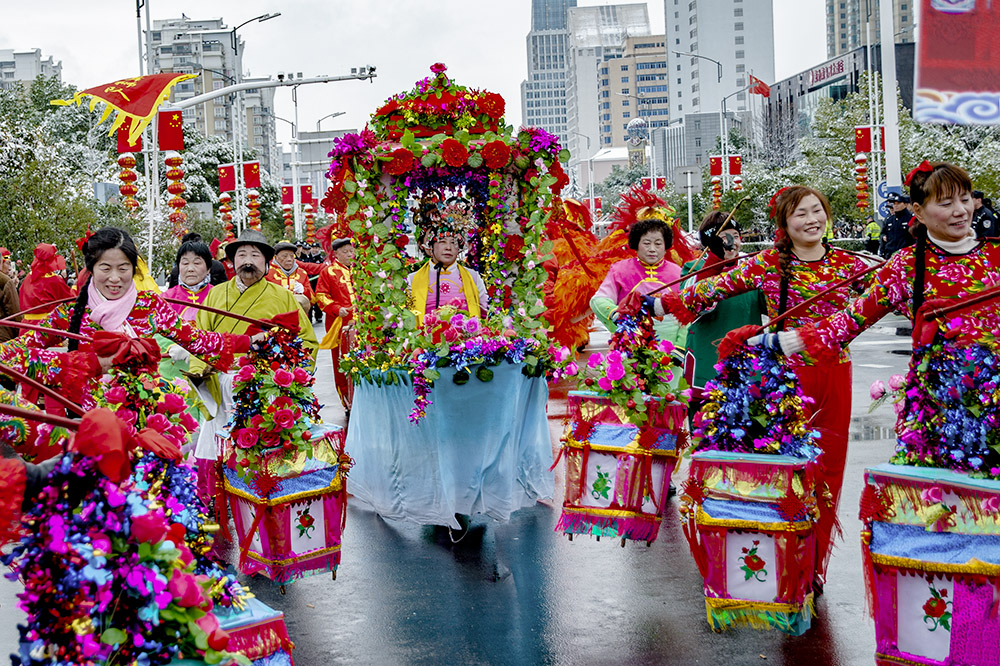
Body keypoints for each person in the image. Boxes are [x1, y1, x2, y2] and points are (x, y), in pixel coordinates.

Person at [644, 186, 873, 590]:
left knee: (829, 473)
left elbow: (887, 297)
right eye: (800, 213)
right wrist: (659, 304)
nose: (812, 220)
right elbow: (712, 287)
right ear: (784, 224)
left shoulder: (850, 265)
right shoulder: (768, 264)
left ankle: (814, 565)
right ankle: (787, 558)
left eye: (817, 210)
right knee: (786, 471)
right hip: (786, 380)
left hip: (836, 375)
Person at [788, 162, 999, 380]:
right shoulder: (906, 265)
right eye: (946, 203)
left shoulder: (996, 253)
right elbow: (850, 320)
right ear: (919, 211)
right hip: (937, 398)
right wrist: (787, 341)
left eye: (965, 199)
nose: (961, 211)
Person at [0, 228, 252, 405]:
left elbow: (200, 341)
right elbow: (13, 353)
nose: (115, 278)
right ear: (91, 269)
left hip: (144, 417)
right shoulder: (71, 312)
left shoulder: (149, 306)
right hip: (89, 423)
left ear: (134, 270)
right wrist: (81, 364)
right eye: (105, 268)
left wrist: (250, 342)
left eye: (123, 268)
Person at [190, 229, 318, 504]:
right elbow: (199, 339)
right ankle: (218, 502)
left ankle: (259, 499)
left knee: (259, 446)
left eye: (255, 255)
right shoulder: (215, 295)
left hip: (263, 386)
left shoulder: (282, 296)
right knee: (217, 444)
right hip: (220, 381)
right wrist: (202, 371)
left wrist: (285, 374)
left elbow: (306, 341)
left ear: (267, 262)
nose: (248, 261)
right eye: (242, 255)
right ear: (232, 261)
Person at [679, 211, 766, 395]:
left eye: (735, 236)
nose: (731, 242)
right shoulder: (694, 268)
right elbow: (691, 304)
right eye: (724, 237)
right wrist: (715, 260)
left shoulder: (751, 268)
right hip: (707, 360)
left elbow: (772, 305)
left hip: (748, 360)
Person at [591, 201, 688, 350]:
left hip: (670, 351)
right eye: (646, 243)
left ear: (666, 246)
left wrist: (680, 348)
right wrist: (618, 315)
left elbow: (688, 312)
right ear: (636, 244)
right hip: (630, 348)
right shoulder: (620, 270)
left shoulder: (678, 272)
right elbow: (598, 300)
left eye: (658, 244)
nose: (652, 249)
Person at [406, 196, 488, 324]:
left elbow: (485, 313)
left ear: (459, 248)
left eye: (454, 242)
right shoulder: (413, 280)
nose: (448, 247)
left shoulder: (473, 277)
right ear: (430, 247)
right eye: (442, 242)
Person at [158, 240, 216, 382]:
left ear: (208, 268)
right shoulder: (166, 298)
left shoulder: (219, 296)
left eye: (197, 263)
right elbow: (154, 332)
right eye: (185, 263)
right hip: (173, 372)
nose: (190, 269)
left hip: (211, 370)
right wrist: (171, 346)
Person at [315, 237, 356, 411]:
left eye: (351, 251)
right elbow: (321, 295)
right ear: (336, 254)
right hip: (340, 325)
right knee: (341, 362)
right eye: (345, 252)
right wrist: (336, 308)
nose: (349, 255)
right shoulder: (329, 272)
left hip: (362, 323)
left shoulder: (360, 270)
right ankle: (347, 400)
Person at [266, 241, 314, 314]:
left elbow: (313, 300)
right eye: (284, 256)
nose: (289, 259)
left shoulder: (302, 273)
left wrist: (304, 291)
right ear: (276, 257)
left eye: (292, 256)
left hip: (299, 316)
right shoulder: (267, 273)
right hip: (274, 316)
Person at [879, 192, 915, 258]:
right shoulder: (890, 220)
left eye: (898, 203)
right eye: (894, 203)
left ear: (905, 204)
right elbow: (883, 234)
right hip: (890, 255)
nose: (895, 205)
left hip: (905, 255)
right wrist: (883, 252)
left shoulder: (911, 219)